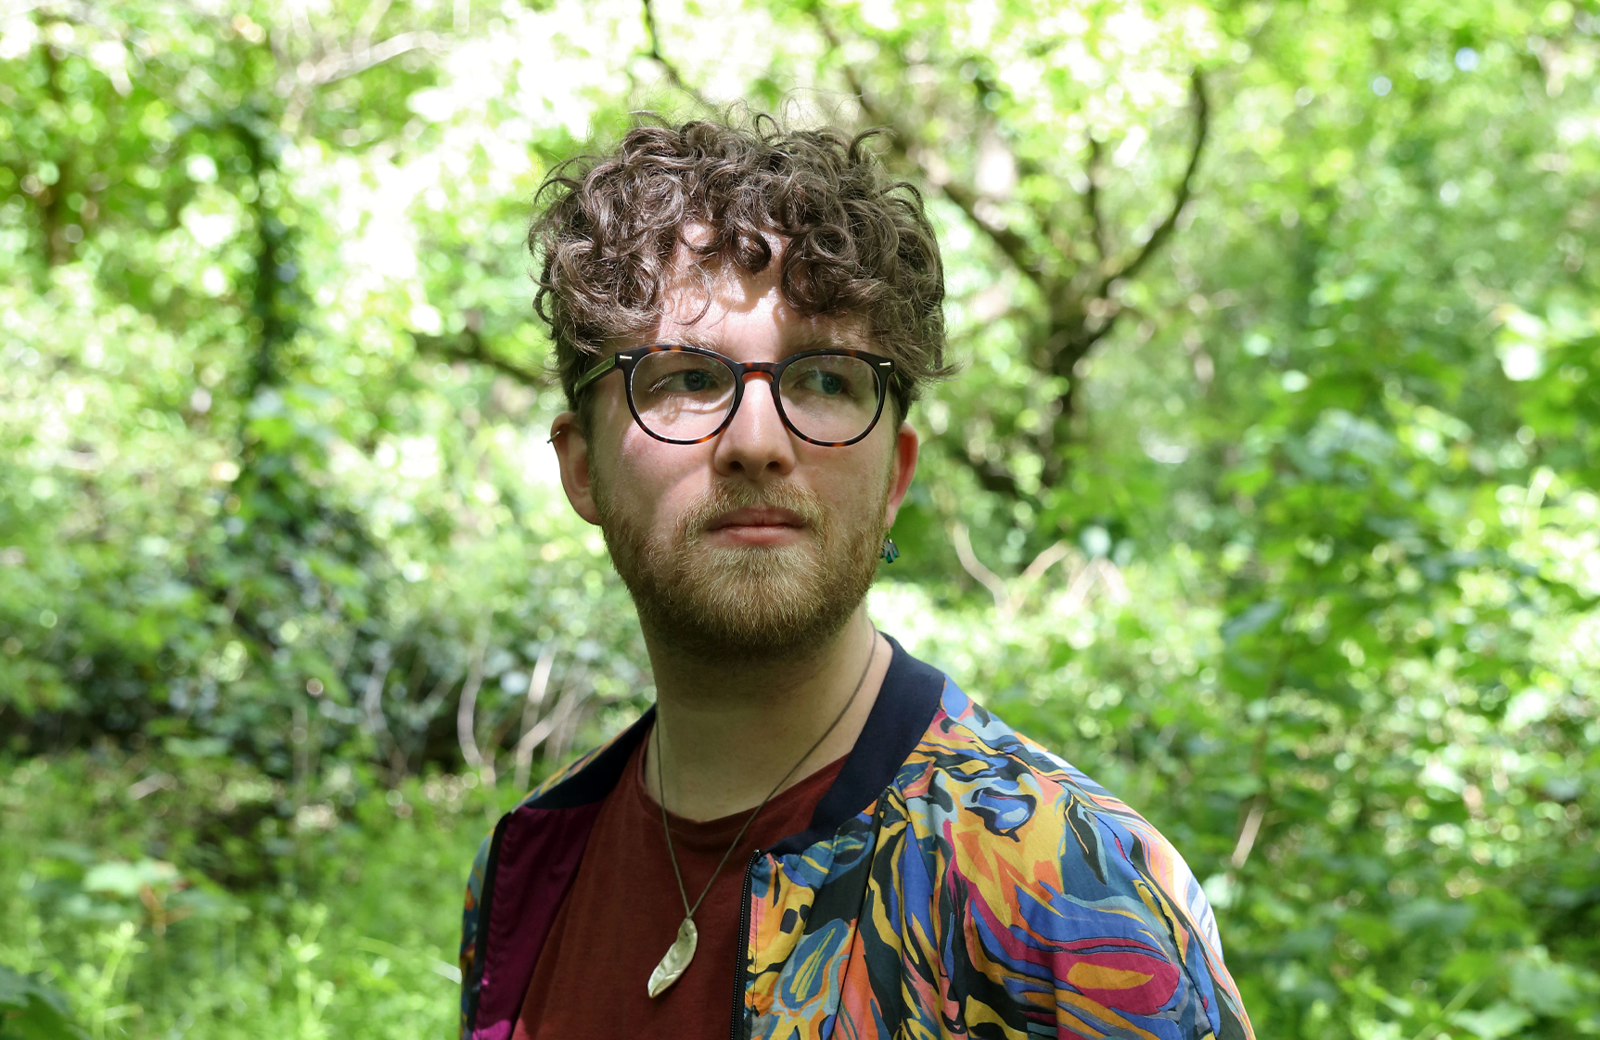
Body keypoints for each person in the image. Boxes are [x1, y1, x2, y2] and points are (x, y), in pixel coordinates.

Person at [458, 114, 1253, 1040]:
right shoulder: (527, 867)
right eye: (686, 378)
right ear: (581, 467)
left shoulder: (1072, 900)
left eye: (827, 380)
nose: (757, 441)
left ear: (894, 478)